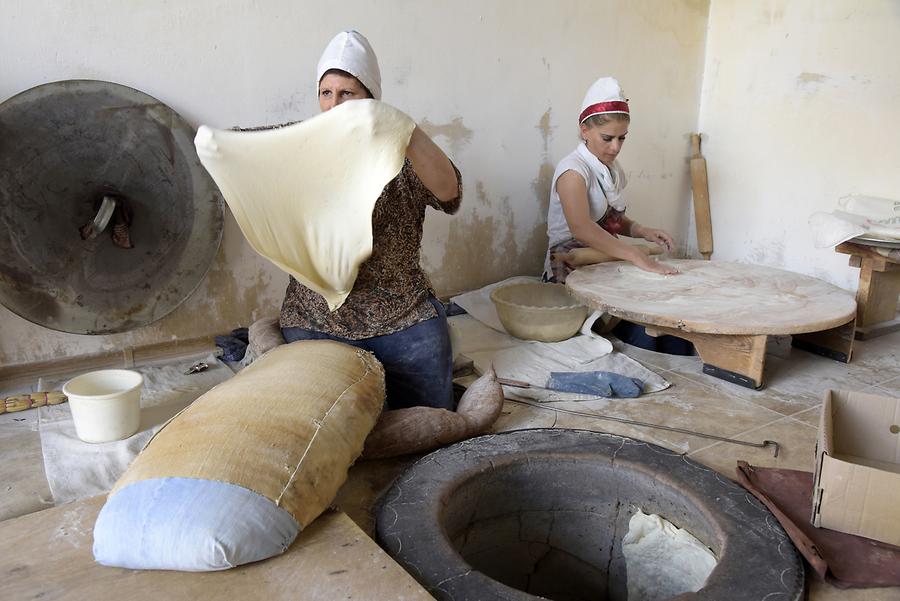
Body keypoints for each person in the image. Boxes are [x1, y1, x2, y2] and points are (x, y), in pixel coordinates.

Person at [280, 31, 461, 410]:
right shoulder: (300, 149)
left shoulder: (402, 153)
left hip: (402, 316)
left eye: (347, 93)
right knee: (317, 418)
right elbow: (250, 161)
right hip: (316, 318)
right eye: (326, 93)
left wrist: (405, 130)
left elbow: (449, 192)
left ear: (372, 100)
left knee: (430, 414)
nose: (334, 105)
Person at [543, 76, 676, 284]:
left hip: (603, 259)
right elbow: (581, 227)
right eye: (607, 138)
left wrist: (641, 231)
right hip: (569, 263)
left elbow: (609, 220)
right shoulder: (573, 172)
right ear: (584, 130)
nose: (616, 147)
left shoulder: (612, 169)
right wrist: (634, 254)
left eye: (622, 138)